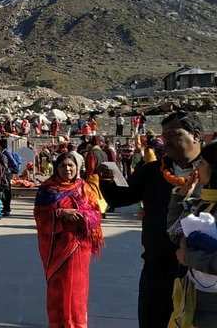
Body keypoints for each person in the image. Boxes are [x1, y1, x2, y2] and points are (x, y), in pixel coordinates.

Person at [100, 110, 203, 328]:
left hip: (202, 270)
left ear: (195, 135)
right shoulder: (152, 171)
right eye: (164, 137)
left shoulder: (212, 171)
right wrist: (107, 181)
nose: (167, 142)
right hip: (158, 268)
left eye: (174, 135)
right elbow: (121, 198)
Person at [34, 151, 103, 327]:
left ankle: (78, 323)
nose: (67, 169)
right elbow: (40, 215)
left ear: (77, 167)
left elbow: (96, 213)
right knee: (60, 287)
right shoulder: (47, 189)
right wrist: (59, 213)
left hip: (80, 248)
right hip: (58, 248)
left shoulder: (84, 188)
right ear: (56, 168)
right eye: (63, 165)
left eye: (71, 165)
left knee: (78, 289)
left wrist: (83, 216)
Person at [166, 140, 217, 327]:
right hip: (194, 297)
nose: (197, 168)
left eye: (202, 163)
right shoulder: (204, 203)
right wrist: (180, 195)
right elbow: (174, 232)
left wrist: (188, 257)